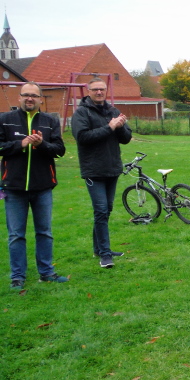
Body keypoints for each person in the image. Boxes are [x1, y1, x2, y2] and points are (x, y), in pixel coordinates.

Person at [0, 83, 67, 290]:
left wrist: (41, 144)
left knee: (44, 232)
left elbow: (60, 149)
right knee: (16, 235)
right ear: (19, 97)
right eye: (26, 95)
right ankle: (17, 276)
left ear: (40, 99)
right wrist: (20, 145)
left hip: (43, 186)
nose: (30, 99)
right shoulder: (5, 119)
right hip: (14, 186)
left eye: (34, 96)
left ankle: (46, 272)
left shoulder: (50, 121)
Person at [71, 78, 132, 269]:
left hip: (112, 168)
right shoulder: (82, 113)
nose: (99, 92)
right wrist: (109, 127)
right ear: (88, 91)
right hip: (93, 170)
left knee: (106, 210)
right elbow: (82, 137)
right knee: (101, 210)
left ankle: (99, 248)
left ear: (106, 91)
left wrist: (120, 127)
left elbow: (126, 138)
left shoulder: (112, 111)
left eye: (102, 89)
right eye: (95, 89)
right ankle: (105, 254)